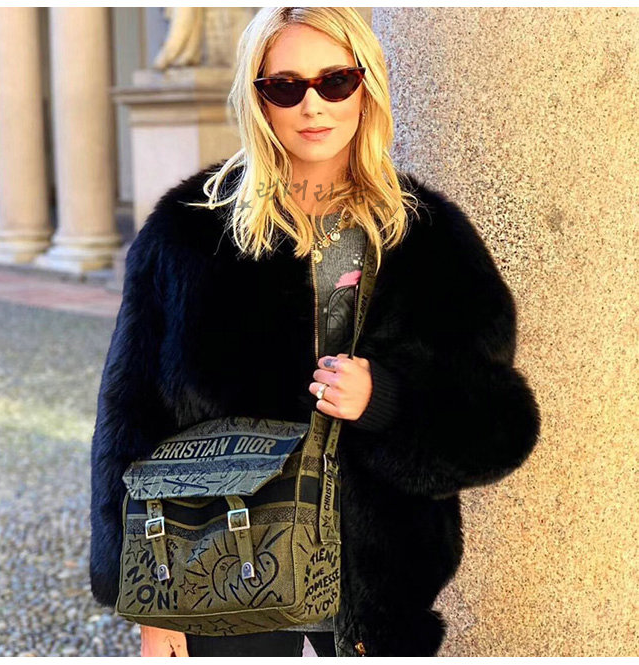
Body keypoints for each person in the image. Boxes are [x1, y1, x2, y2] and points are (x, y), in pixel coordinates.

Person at [90, 7, 541, 657]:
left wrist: (385, 399)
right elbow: (128, 424)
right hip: (219, 589)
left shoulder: (428, 237)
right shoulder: (187, 233)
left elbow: (498, 423)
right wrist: (149, 603)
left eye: (335, 81)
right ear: (258, 99)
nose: (312, 105)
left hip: (375, 600)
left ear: (366, 87)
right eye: (285, 86)